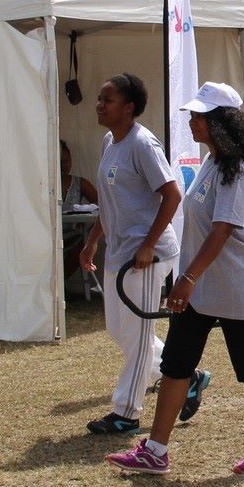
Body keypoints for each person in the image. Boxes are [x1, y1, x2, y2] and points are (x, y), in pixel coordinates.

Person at [106, 82, 244, 476]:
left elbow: (223, 229)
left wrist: (186, 277)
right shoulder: (212, 161)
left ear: (223, 123)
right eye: (193, 115)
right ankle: (155, 450)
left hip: (235, 283)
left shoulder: (237, 169)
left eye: (199, 117)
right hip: (201, 284)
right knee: (176, 362)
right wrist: (191, 279)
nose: (192, 122)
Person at [78, 75, 207, 437]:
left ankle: (127, 413)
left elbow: (172, 194)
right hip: (119, 253)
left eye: (108, 100)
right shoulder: (110, 142)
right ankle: (189, 376)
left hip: (149, 256)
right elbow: (110, 201)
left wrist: (149, 245)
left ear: (129, 107)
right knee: (119, 330)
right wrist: (92, 241)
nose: (100, 105)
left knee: (136, 335)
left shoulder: (142, 144)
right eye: (100, 99)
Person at [60, 140, 100, 284]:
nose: (63, 166)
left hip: (71, 233)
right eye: (58, 161)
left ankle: (62, 282)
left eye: (66, 161)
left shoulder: (79, 183)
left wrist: (84, 213)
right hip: (47, 233)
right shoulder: (43, 183)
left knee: (81, 245)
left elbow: (101, 204)